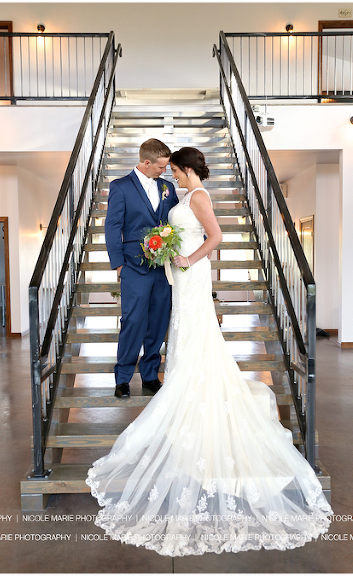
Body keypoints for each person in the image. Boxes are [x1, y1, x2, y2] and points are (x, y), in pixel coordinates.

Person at [86, 147, 332, 555]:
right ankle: (129, 376)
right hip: (160, 269)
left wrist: (185, 257)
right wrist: (138, 257)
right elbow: (123, 226)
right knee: (154, 327)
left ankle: (162, 378)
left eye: (174, 171)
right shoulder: (165, 193)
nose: (171, 176)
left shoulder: (191, 196)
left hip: (188, 272)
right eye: (166, 170)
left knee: (181, 330)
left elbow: (214, 236)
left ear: (182, 170)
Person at [105, 138, 179, 397]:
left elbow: (174, 222)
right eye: (161, 167)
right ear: (147, 163)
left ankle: (150, 376)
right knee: (133, 321)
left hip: (163, 268)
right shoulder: (120, 187)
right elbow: (113, 227)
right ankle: (122, 378)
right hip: (133, 267)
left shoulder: (168, 187)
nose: (165, 172)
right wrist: (119, 266)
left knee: (158, 322)